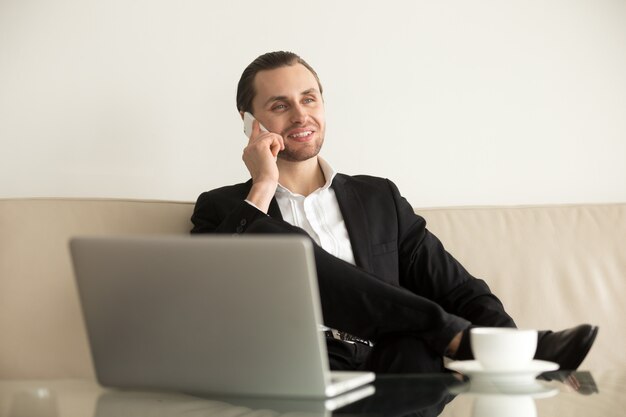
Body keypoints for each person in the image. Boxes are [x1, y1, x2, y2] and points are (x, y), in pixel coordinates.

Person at [190, 51, 598, 373]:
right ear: (249, 122)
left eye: (309, 99)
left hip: (390, 362)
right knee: (287, 248)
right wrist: (262, 185)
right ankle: (454, 337)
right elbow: (212, 297)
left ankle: (486, 347)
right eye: (280, 105)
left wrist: (515, 353)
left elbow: (457, 289)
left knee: (415, 356)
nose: (301, 115)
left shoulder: (378, 197)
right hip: (295, 361)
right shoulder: (222, 208)